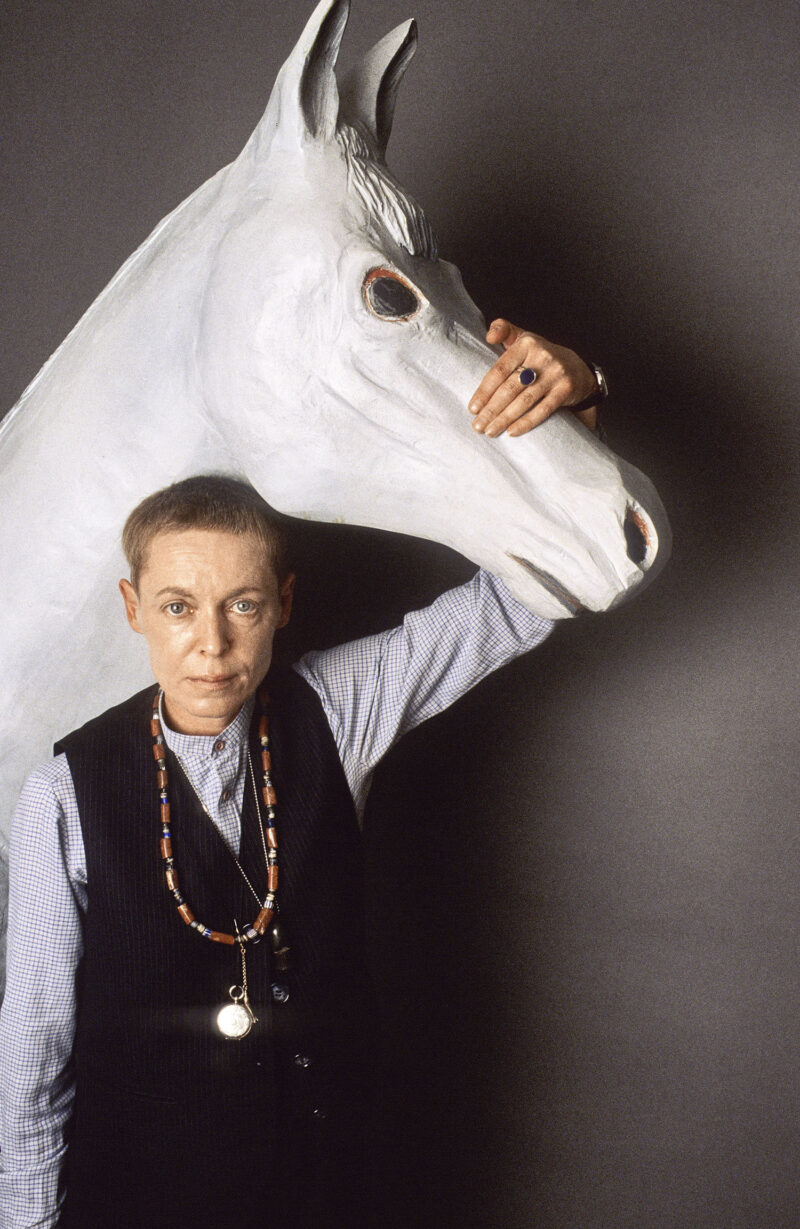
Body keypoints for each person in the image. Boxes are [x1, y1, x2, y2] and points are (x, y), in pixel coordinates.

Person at [0, 322, 606, 1228]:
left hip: (327, 1195)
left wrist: (580, 397)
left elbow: (534, 590)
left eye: (242, 603)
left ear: (283, 602)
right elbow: (31, 1061)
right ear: (135, 609)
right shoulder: (60, 796)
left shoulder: (336, 704)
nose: (211, 644)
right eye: (178, 607)